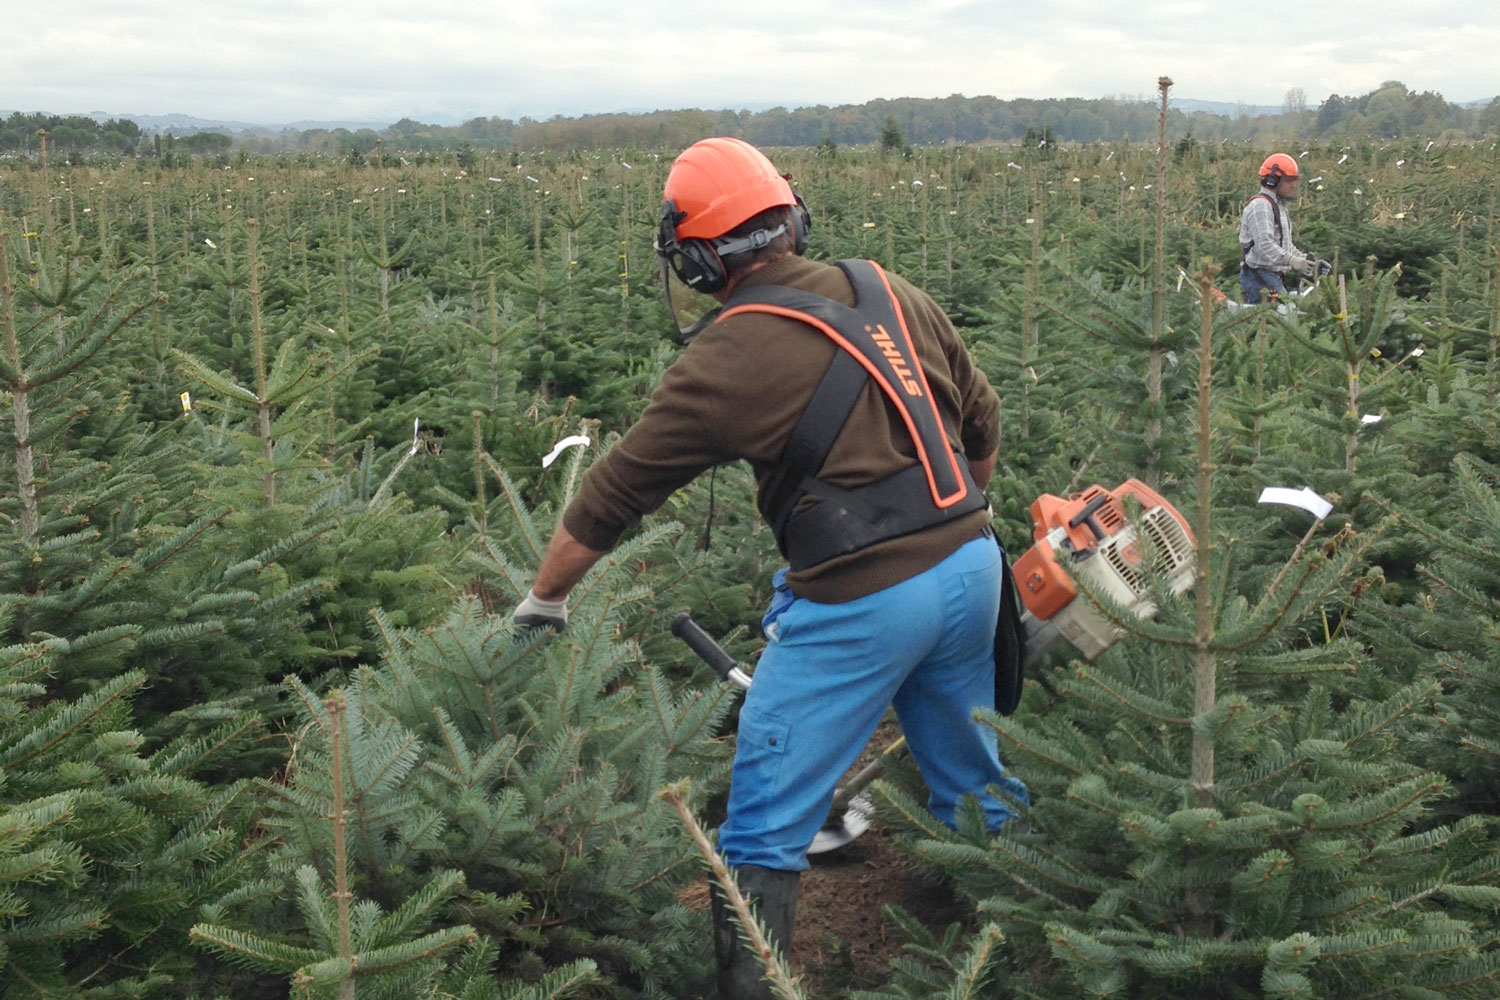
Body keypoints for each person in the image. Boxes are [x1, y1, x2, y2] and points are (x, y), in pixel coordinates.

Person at [512, 136, 1027, 1000]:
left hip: (864, 604)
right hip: (976, 569)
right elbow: (982, 421)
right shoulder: (885, 286)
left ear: (699, 260)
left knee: (762, 819)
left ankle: (756, 986)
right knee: (973, 779)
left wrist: (545, 596)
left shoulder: (729, 354)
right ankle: (1024, 951)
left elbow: (612, 495)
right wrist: (951, 526)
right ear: (792, 218)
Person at [1239, 153, 1323, 304]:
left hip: (1273, 276)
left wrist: (1306, 261)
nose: (1293, 185)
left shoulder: (1279, 206)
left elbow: (1284, 245)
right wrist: (1293, 261)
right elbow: (1265, 244)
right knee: (1267, 323)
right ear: (1273, 180)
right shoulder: (1261, 206)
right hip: (1260, 277)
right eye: (1289, 180)